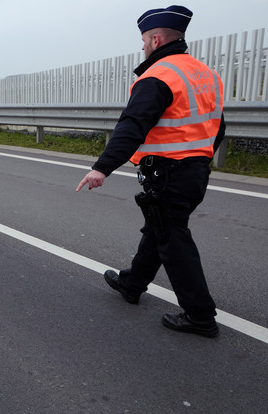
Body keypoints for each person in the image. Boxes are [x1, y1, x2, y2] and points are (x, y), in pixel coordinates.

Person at [75, 5, 225, 338]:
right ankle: (132, 283)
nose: (143, 47)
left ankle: (200, 315)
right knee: (161, 226)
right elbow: (219, 126)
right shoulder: (206, 74)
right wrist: (200, 159)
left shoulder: (159, 75)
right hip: (197, 170)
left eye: (144, 41)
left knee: (172, 237)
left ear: (155, 39)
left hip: (169, 171)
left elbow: (132, 126)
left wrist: (102, 168)